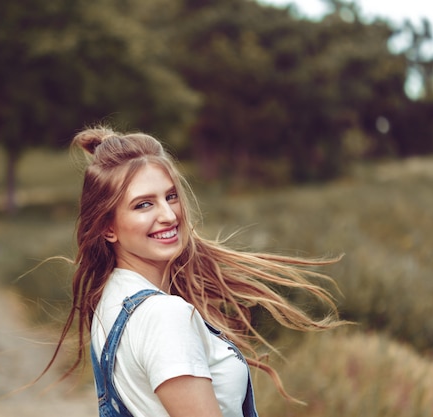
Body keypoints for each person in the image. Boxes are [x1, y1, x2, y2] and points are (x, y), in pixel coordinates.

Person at [41, 126, 346, 417]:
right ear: (108, 228)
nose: (168, 214)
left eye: (170, 196)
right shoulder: (164, 315)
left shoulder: (111, 300)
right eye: (143, 205)